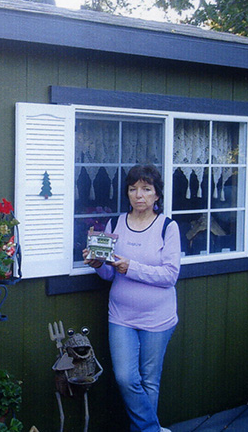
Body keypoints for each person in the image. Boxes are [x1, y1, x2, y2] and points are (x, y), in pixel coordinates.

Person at [83, 164, 180, 432]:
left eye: (146, 189)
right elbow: (108, 275)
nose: (139, 195)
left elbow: (170, 276)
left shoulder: (167, 228)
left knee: (149, 381)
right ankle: (152, 429)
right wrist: (97, 264)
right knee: (126, 378)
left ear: (157, 195)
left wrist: (131, 267)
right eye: (133, 189)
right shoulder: (115, 223)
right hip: (121, 316)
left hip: (158, 318)